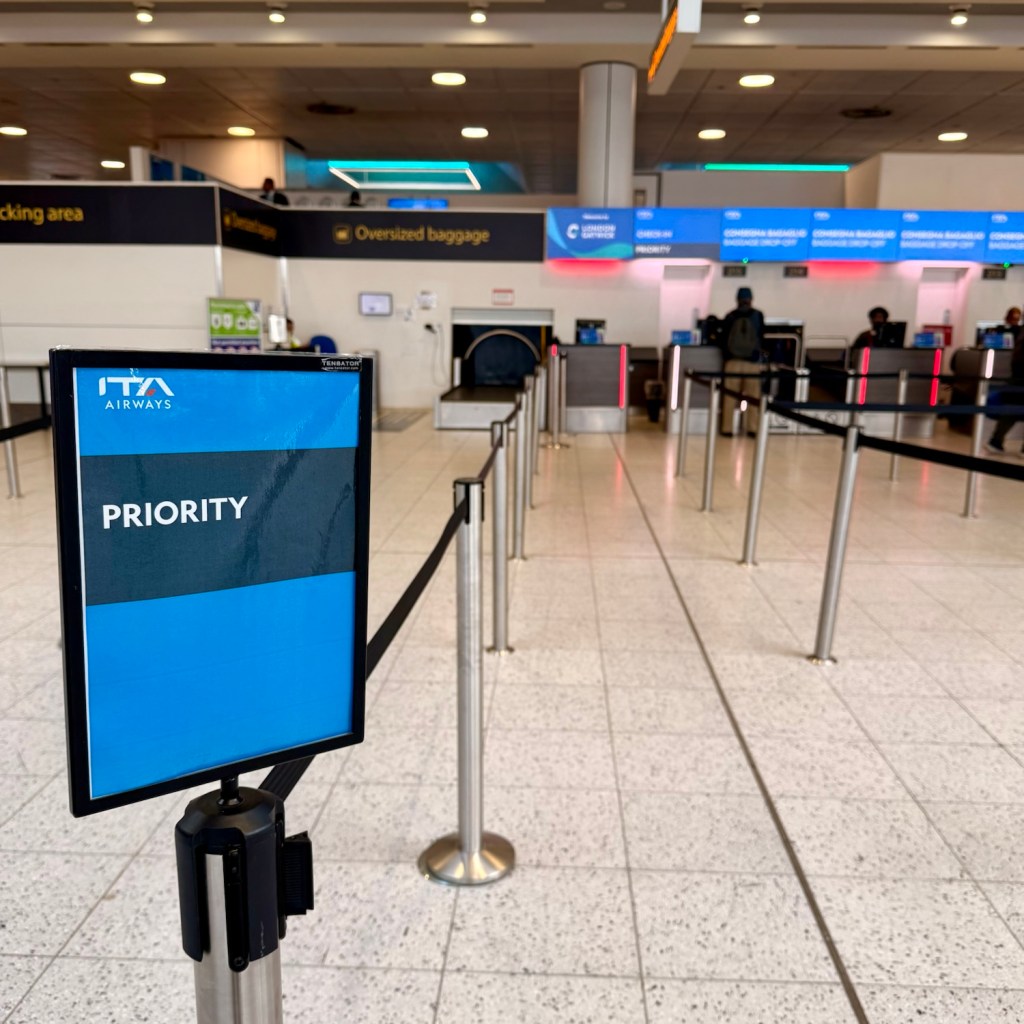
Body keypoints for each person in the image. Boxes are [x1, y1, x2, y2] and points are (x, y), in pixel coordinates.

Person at [719, 286, 766, 436]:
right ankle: (752, 428)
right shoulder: (758, 315)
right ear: (751, 299)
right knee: (753, 397)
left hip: (733, 362)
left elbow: (723, 339)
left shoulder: (730, 316)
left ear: (737, 299)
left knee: (729, 397)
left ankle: (727, 429)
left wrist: (727, 356)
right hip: (752, 363)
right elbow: (761, 336)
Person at [985, 329, 1024, 456]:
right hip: (1019, 384)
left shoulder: (1019, 343)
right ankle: (995, 442)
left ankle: (995, 442)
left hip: (1015, 384)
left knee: (1010, 414)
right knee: (1011, 413)